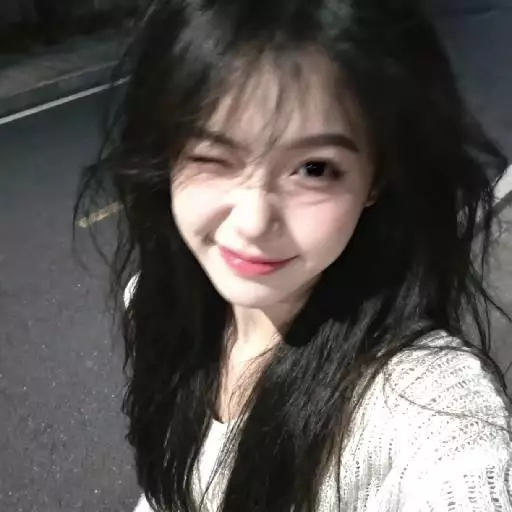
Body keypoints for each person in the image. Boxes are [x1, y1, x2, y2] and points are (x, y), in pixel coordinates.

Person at [74, 0, 512, 510]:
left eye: (314, 169)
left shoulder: (419, 403)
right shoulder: (155, 305)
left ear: (376, 178)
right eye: (212, 157)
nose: (254, 221)